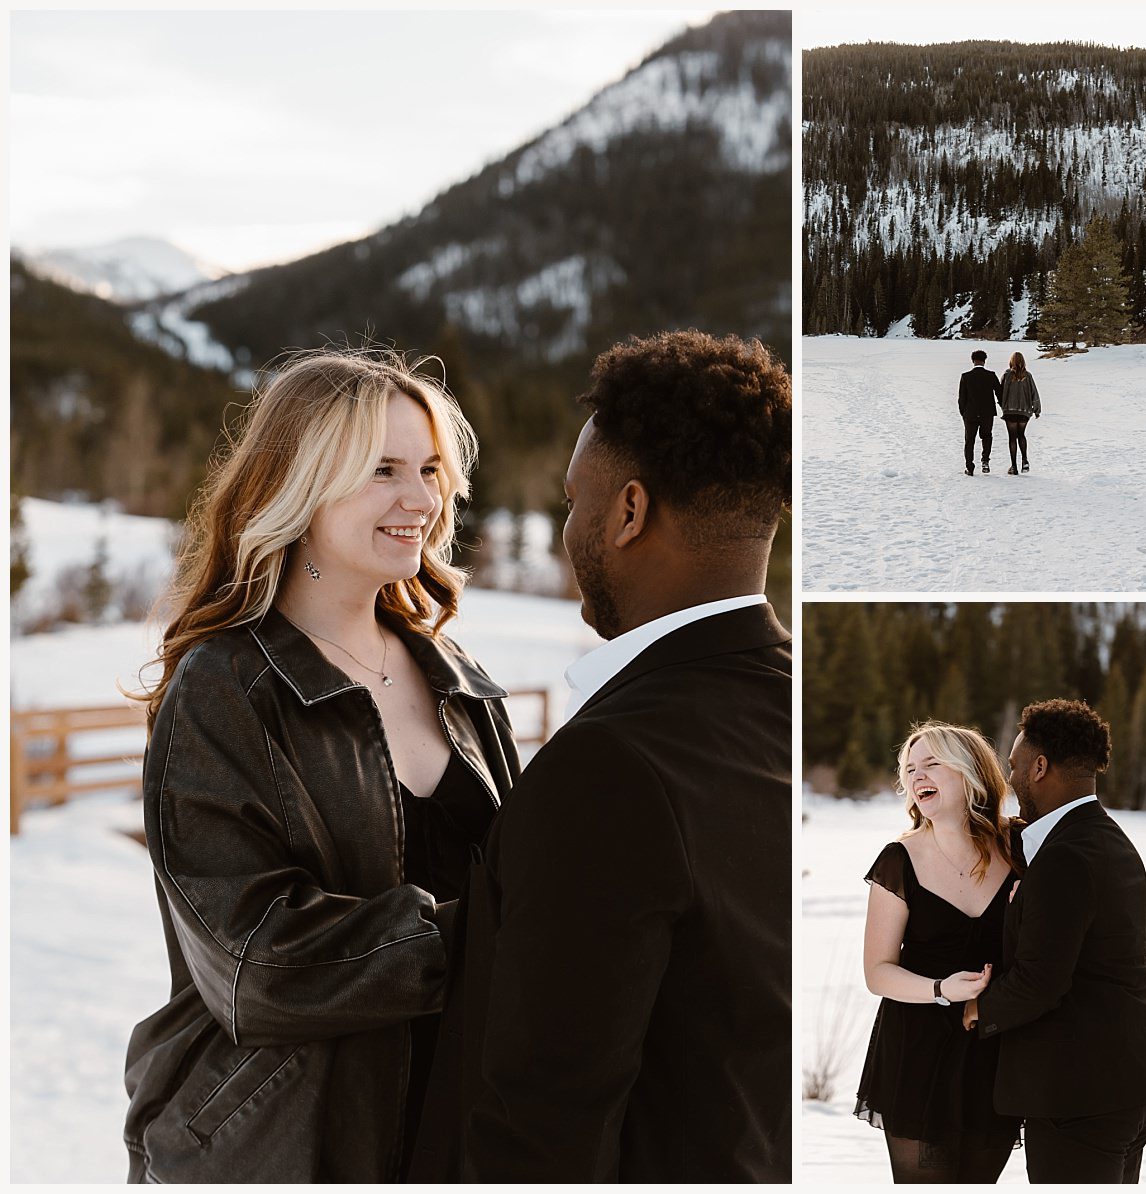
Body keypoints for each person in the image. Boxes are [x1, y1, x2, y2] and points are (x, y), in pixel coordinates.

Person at [122, 349, 520, 1183]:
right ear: (299, 487)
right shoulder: (225, 687)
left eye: (429, 469)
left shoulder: (457, 679)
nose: (421, 499)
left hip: (455, 1137)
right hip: (284, 1151)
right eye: (382, 470)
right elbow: (255, 964)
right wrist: (488, 937)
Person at [410, 330, 792, 1181]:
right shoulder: (786, 704)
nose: (566, 528)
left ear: (627, 512)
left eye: (572, 500)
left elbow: (544, 1124)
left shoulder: (609, 770)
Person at [964, 700, 1146, 1184]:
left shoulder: (1065, 858)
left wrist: (978, 1009)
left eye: (1015, 765)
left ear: (1040, 768)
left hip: (1081, 1092)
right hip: (1133, 1075)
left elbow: (1041, 981)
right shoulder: (1106, 837)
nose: (1011, 778)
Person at [856, 722, 1022, 1184]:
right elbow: (877, 972)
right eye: (909, 769)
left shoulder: (1018, 846)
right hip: (918, 1050)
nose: (916, 775)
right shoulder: (899, 859)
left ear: (971, 772)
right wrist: (940, 989)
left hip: (995, 1048)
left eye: (932, 763)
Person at [958, 349, 1002, 475]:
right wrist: (1003, 407)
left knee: (969, 440)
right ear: (984, 361)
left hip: (970, 414)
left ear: (973, 361)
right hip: (987, 413)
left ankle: (969, 467)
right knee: (987, 437)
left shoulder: (965, 376)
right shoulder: (991, 375)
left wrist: (964, 413)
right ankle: (985, 461)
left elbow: (962, 398)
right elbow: (999, 394)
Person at [998, 351, 1041, 475]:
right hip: (1024, 411)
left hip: (1010, 411)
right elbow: (1035, 393)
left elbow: (1000, 393)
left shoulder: (1007, 375)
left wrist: (1003, 405)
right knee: (1021, 435)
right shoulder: (1028, 376)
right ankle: (1025, 460)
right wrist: (1037, 409)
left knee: (1012, 437)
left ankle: (1014, 467)